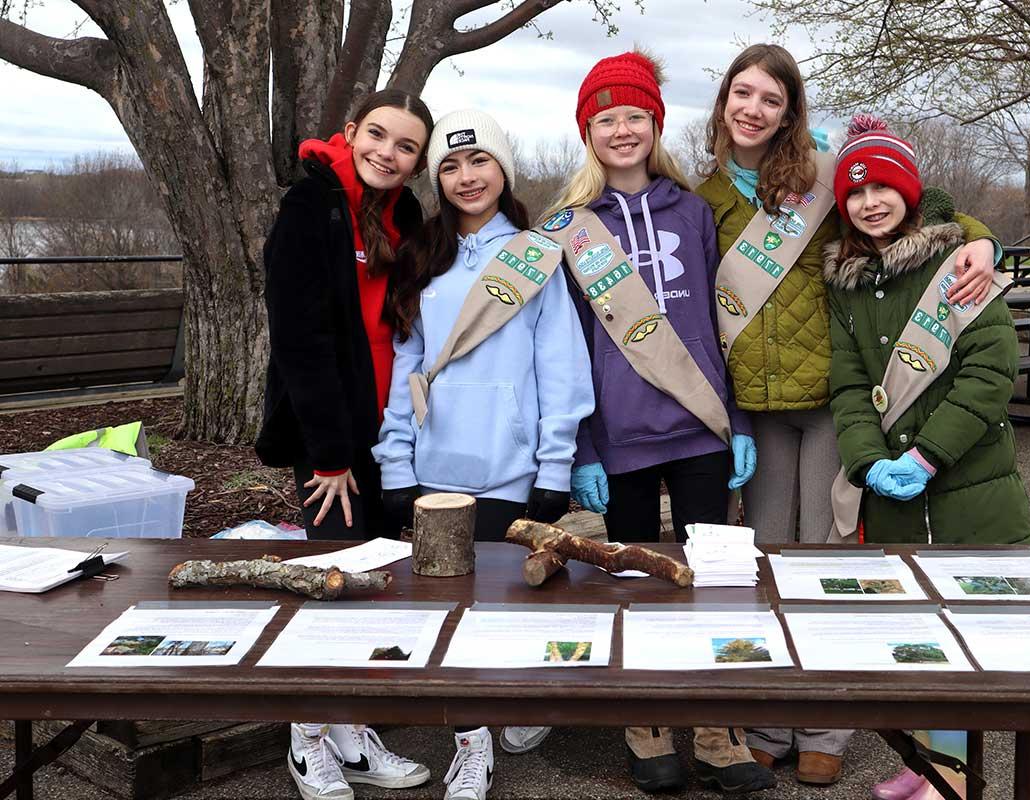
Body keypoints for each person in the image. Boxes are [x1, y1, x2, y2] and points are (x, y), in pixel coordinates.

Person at [693, 43, 1002, 786]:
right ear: (724, 101)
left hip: (834, 401)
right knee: (765, 559)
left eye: (771, 98)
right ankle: (768, 716)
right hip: (756, 411)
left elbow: (920, 205)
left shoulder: (827, 175)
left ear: (790, 110)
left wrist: (983, 240)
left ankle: (824, 721)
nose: (753, 110)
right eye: (743, 93)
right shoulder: (701, 195)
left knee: (826, 560)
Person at [529, 50, 772, 795]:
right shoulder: (569, 229)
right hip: (621, 434)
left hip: (699, 424)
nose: (623, 129)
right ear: (588, 132)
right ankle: (645, 721)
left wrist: (732, 421)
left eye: (635, 115)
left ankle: (716, 727)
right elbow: (566, 346)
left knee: (713, 579)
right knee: (633, 581)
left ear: (655, 123)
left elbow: (719, 323)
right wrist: (585, 448)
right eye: (607, 119)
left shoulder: (692, 210)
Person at [372, 109, 594, 800]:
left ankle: (520, 708)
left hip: (511, 467)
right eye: (450, 165)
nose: (466, 176)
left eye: (480, 162)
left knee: (504, 607)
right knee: (446, 614)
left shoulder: (536, 255)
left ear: (503, 169)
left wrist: (555, 468)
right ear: (437, 177)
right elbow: (407, 366)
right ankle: (473, 745)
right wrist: (396, 464)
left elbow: (560, 370)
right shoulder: (421, 255)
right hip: (436, 472)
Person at [824, 114, 1030, 800]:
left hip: (966, 484)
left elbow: (989, 374)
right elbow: (851, 384)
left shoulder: (958, 265)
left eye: (884, 187)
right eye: (855, 193)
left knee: (963, 633)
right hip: (893, 494)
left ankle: (954, 778)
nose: (870, 202)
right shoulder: (848, 283)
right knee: (912, 630)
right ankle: (926, 768)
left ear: (911, 193)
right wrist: (865, 460)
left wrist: (929, 457)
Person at [257, 88, 435, 800]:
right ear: (351, 130)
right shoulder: (310, 208)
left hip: (387, 430)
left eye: (406, 147)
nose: (387, 154)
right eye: (379, 136)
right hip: (328, 437)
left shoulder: (407, 216)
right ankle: (308, 741)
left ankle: (354, 734)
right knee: (334, 583)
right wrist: (329, 453)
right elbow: (301, 339)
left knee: (376, 584)